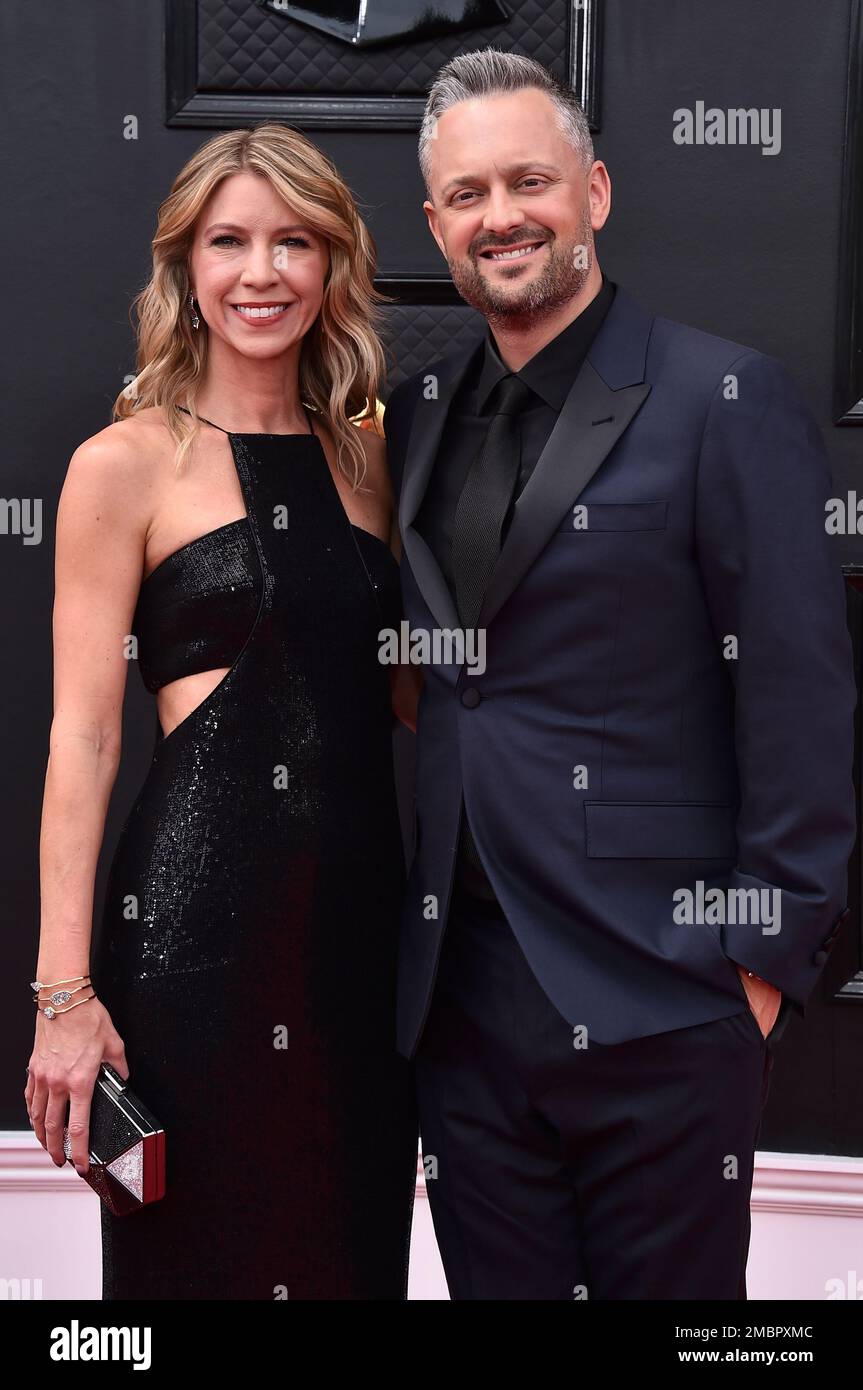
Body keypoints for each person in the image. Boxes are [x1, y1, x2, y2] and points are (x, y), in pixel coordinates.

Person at [383, 48, 856, 1299]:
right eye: (468, 194)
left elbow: (801, 702)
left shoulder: (722, 397)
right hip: (463, 1007)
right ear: (435, 225)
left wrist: (753, 974)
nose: (501, 216)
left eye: (528, 180)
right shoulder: (416, 411)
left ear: (593, 191)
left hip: (663, 994)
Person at [26, 123, 417, 1300]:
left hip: (357, 944)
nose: (262, 272)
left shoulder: (370, 459)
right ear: (185, 267)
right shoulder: (123, 463)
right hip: (189, 937)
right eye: (229, 241)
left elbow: (408, 700)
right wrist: (64, 996)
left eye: (293, 241)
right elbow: (84, 740)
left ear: (333, 263)